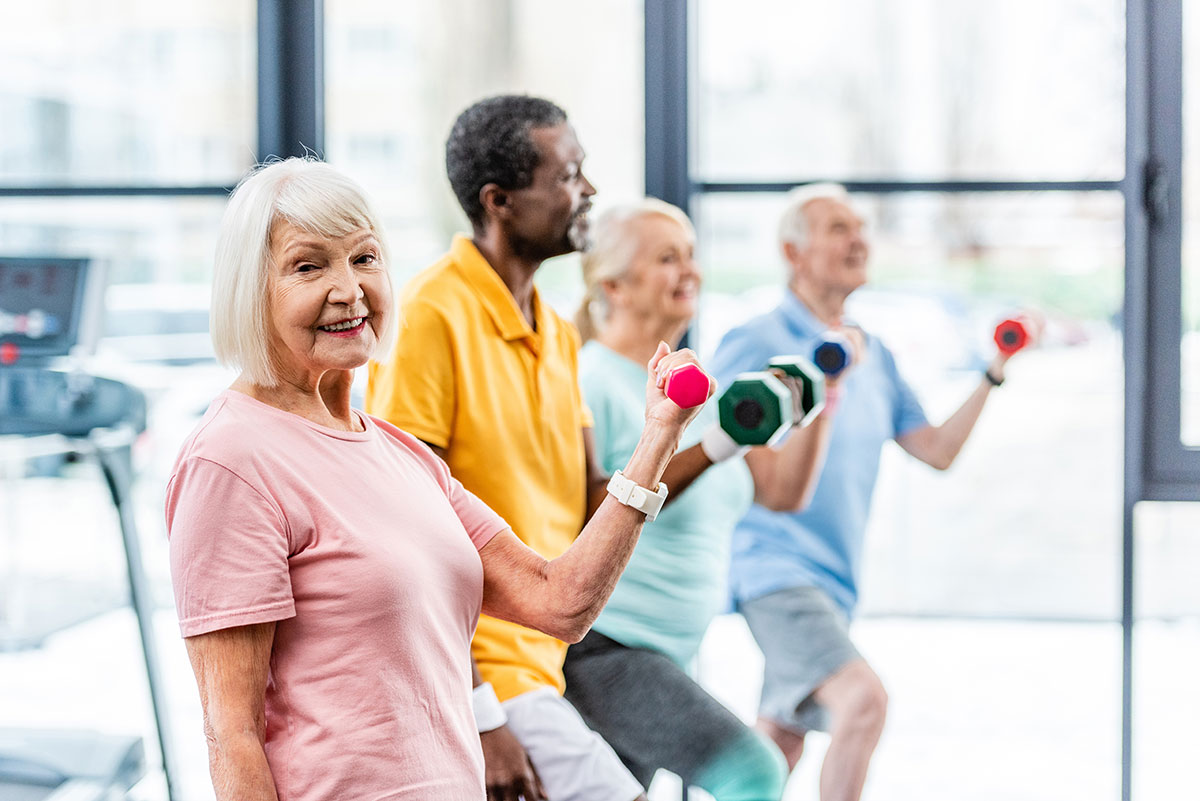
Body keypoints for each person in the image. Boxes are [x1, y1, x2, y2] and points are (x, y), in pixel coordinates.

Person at [165, 157, 709, 801]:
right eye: (309, 266)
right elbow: (231, 735)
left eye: (364, 259)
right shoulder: (230, 460)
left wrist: (657, 438)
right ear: (249, 288)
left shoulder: (399, 454)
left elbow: (560, 602)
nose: (349, 290)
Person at [366, 95, 730, 801]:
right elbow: (404, 532)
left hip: (542, 666)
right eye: (567, 176)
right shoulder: (430, 315)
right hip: (473, 677)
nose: (587, 191)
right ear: (499, 201)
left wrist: (669, 433)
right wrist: (479, 713)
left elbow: (597, 501)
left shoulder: (559, 335)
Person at [709, 183, 1028, 801]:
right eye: (837, 228)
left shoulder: (870, 351)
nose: (858, 239)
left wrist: (993, 370)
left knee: (779, 741)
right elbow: (712, 453)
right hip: (770, 568)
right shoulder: (756, 339)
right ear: (791, 252)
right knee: (862, 701)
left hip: (834, 578)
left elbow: (935, 450)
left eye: (860, 227)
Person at [559, 198, 854, 800]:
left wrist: (820, 397)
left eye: (692, 255)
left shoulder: (696, 387)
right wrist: (715, 446)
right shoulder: (590, 378)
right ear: (612, 284)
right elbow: (593, 511)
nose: (689, 271)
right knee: (755, 770)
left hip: (669, 651)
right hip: (609, 649)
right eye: (668, 258)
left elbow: (782, 491)